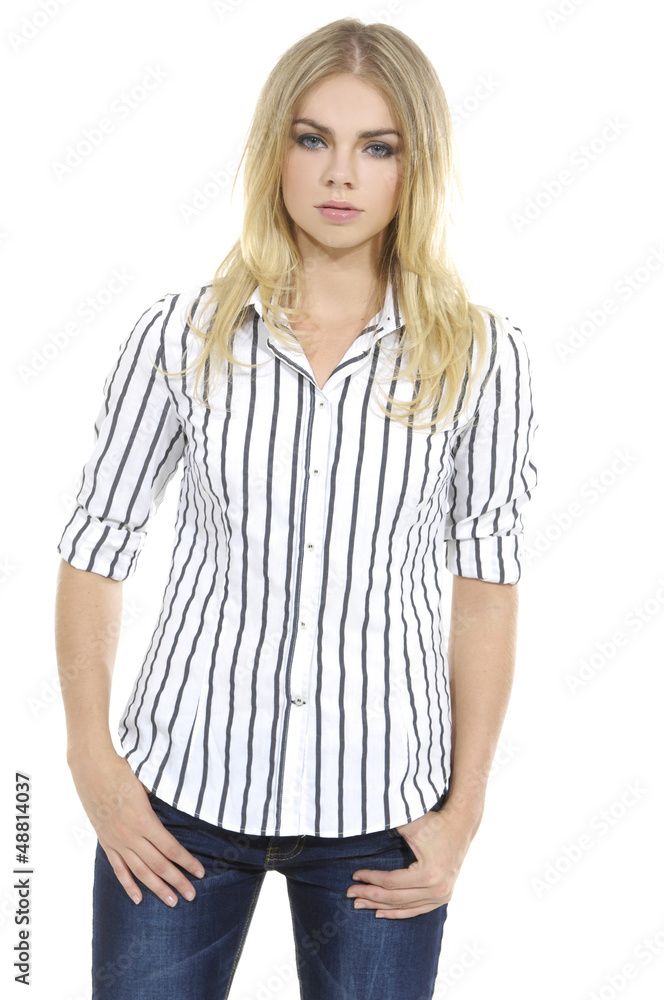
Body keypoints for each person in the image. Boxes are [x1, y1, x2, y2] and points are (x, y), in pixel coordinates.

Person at [54, 16, 538, 1000]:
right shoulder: (178, 338)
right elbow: (95, 553)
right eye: (313, 138)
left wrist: (464, 814)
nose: (340, 175)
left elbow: (486, 592)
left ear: (416, 165)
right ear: (274, 149)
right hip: (178, 802)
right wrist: (94, 763)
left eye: (377, 147)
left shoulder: (482, 357)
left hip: (382, 813)